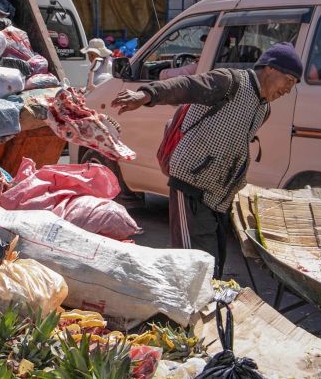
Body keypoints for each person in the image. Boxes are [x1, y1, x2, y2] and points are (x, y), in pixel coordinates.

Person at [111, 42, 303, 277]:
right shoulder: (230, 82)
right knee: (191, 264)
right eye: (289, 81)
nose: (288, 90)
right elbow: (186, 86)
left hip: (218, 198)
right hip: (190, 185)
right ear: (271, 69)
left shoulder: (263, 109)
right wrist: (146, 94)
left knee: (213, 265)